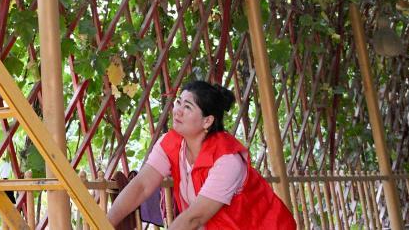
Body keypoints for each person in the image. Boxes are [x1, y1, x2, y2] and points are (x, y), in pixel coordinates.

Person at [107, 81, 296, 229]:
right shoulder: (171, 142)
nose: (178, 110)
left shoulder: (227, 160)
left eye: (187, 107)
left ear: (207, 121)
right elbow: (141, 185)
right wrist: (104, 223)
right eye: (178, 102)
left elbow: (194, 219)